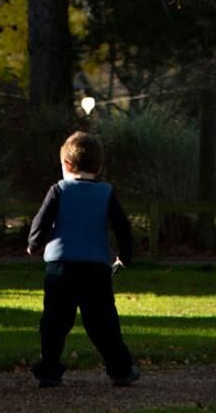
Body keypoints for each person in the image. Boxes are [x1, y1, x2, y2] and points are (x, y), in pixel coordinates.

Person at [26, 131, 139, 388]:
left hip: (60, 267)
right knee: (103, 322)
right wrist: (125, 255)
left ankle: (49, 369)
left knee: (55, 321)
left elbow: (40, 223)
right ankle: (120, 369)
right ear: (98, 166)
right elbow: (122, 227)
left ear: (66, 164)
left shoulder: (59, 190)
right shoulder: (106, 193)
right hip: (96, 267)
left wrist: (34, 244)